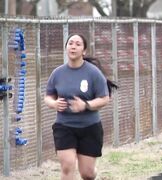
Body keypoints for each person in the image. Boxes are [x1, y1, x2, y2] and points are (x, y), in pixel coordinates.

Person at [44, 34, 109, 180]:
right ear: (66, 47)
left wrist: (86, 105)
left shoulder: (93, 73)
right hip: (64, 126)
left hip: (90, 127)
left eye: (78, 44)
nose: (73, 46)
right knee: (67, 167)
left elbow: (105, 99)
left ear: (84, 51)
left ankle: (92, 172)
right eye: (71, 43)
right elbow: (48, 96)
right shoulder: (57, 73)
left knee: (87, 173)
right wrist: (54, 103)